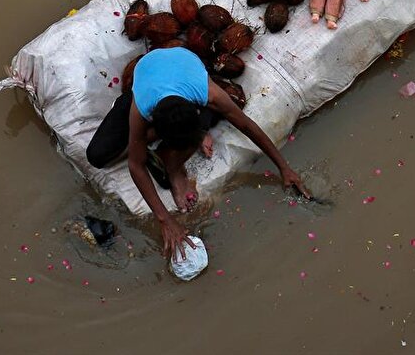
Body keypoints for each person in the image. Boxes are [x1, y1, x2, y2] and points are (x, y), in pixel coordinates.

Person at [86, 46, 309, 260]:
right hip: (148, 80)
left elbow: (247, 125)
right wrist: (165, 219)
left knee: (216, 115)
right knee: (97, 156)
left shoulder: (207, 92)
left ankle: (176, 166)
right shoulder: (142, 108)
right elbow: (136, 165)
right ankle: (168, 154)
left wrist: (284, 167)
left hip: (184, 77)